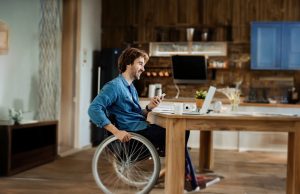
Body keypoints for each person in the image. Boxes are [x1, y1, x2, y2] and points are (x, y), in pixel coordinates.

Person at [88, 47, 166, 155]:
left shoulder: (131, 87)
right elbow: (93, 109)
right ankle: (177, 168)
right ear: (129, 63)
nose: (143, 69)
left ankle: (177, 166)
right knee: (178, 132)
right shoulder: (114, 86)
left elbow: (133, 114)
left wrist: (149, 107)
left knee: (180, 132)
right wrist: (116, 132)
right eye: (140, 64)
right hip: (135, 133)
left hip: (141, 127)